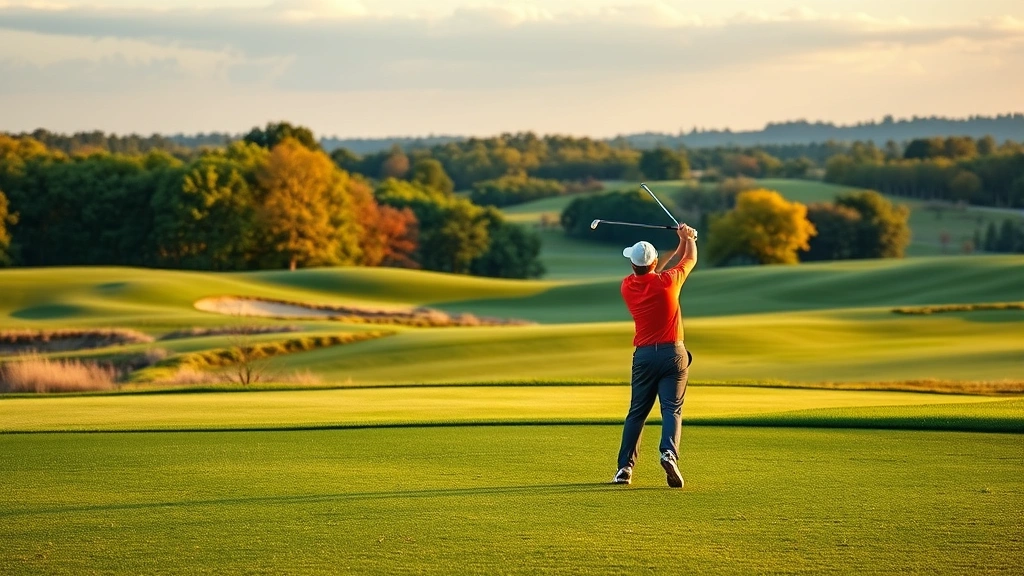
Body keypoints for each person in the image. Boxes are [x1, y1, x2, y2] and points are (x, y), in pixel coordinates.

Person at [612, 223, 698, 488]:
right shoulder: (668, 282)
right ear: (655, 262)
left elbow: (660, 268)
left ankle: (625, 469)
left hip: (645, 356)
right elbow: (690, 259)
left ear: (633, 266)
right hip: (673, 353)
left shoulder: (627, 286)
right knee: (671, 408)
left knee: (637, 412)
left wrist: (683, 241)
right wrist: (689, 238)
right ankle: (668, 453)